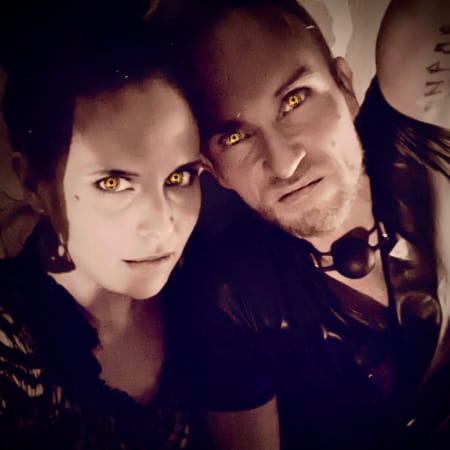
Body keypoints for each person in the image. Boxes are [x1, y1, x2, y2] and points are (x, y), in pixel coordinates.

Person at [173, 0, 450, 448]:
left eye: (294, 100)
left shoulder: (421, 149)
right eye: (235, 136)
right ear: (214, 168)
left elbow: (420, 19)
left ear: (345, 86)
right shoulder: (226, 301)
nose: (284, 164)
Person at [0, 4, 205, 449]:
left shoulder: (207, 288)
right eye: (113, 183)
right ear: (33, 184)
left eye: (180, 177)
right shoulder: (9, 347)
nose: (162, 225)